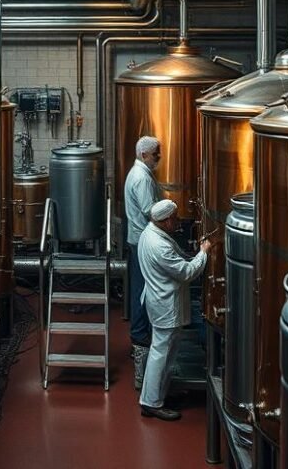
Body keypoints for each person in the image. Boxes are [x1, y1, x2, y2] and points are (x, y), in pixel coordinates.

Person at [138, 199, 211, 421]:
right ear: (166, 220)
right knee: (161, 353)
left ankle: (159, 394)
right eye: (175, 218)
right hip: (165, 304)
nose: (177, 222)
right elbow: (187, 272)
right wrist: (204, 253)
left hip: (161, 301)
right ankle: (151, 402)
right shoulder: (158, 245)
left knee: (166, 351)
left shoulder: (150, 233)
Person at [124, 135, 162, 389]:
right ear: (143, 155)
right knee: (142, 294)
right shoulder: (141, 177)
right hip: (142, 243)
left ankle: (141, 343)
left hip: (138, 240)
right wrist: (171, 213)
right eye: (156, 153)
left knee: (140, 292)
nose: (159, 157)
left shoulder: (139, 173)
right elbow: (152, 211)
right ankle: (141, 351)